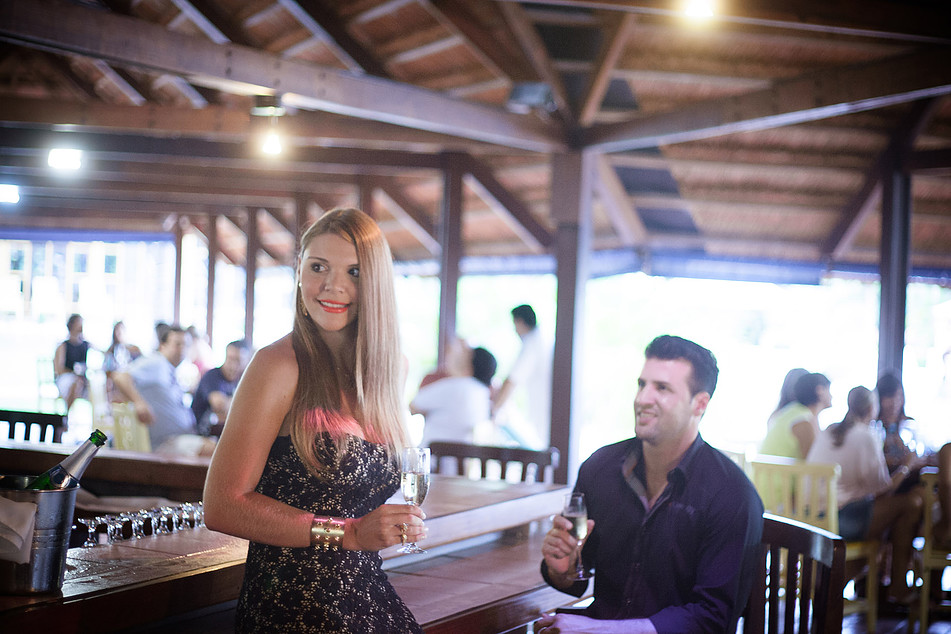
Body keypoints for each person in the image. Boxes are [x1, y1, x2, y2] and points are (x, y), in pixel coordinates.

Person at [203, 208, 424, 633]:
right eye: (318, 267)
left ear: (376, 283)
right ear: (299, 271)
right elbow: (222, 505)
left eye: (354, 272)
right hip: (290, 607)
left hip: (366, 595)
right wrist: (349, 533)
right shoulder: (277, 365)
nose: (332, 286)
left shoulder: (391, 369)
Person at [537, 335, 764, 633]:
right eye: (642, 384)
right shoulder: (599, 468)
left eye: (662, 388)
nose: (642, 399)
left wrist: (597, 631)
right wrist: (562, 570)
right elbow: (576, 576)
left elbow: (713, 618)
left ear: (700, 404)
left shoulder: (731, 494)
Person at [806, 386, 926, 603]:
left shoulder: (830, 430)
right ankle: (897, 587)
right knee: (911, 504)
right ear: (872, 408)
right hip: (839, 520)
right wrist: (907, 465)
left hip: (812, 517)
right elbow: (883, 489)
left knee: (885, 520)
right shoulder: (865, 435)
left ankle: (832, 588)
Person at [111, 324, 211, 455]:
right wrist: (139, 402)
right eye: (177, 344)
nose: (182, 349)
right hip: (164, 443)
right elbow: (120, 377)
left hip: (180, 438)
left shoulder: (169, 369)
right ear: (163, 346)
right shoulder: (156, 362)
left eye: (185, 345)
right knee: (218, 452)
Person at [410, 339, 497, 446]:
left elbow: (413, 406)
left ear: (470, 365)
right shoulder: (483, 394)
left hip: (436, 454)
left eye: (464, 355)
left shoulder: (456, 385)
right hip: (465, 455)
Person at [490, 304, 552, 449]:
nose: (515, 330)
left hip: (543, 410)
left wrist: (494, 410)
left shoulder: (532, 343)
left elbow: (512, 380)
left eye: (515, 324)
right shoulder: (543, 340)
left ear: (520, 322)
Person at [759, 372, 832, 460]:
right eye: (829, 390)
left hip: (766, 468)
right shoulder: (803, 422)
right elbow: (813, 462)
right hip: (778, 469)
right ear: (820, 390)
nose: (831, 396)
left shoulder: (791, 412)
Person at [191, 339, 251, 436]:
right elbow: (219, 405)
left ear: (247, 361)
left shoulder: (244, 380)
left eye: (238, 361)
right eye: (230, 359)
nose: (233, 365)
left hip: (224, 434)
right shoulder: (212, 376)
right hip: (202, 433)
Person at [53, 313, 91, 411]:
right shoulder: (63, 346)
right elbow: (58, 370)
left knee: (99, 385)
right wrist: (74, 373)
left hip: (83, 379)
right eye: (79, 323)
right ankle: (67, 414)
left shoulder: (86, 344)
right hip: (66, 378)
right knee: (76, 384)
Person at [102, 321, 142, 403]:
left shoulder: (134, 349)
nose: (119, 333)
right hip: (115, 381)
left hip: (131, 380)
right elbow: (107, 369)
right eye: (117, 331)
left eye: (121, 331)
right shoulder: (111, 351)